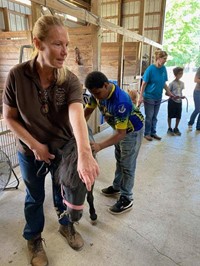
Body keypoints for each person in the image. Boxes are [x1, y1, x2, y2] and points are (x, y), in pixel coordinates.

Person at [3, 15, 99, 266]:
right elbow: (9, 118)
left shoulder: (69, 80)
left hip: (62, 149)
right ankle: (33, 238)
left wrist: (85, 152)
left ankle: (66, 225)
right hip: (30, 150)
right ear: (38, 43)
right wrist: (35, 145)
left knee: (62, 191)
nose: (65, 51)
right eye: (58, 44)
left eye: (67, 44)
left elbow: (77, 114)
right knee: (34, 196)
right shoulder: (17, 76)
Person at [84, 71, 144, 215]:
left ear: (106, 85)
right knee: (119, 159)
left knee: (127, 164)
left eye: (98, 93)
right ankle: (117, 186)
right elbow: (87, 112)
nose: (96, 97)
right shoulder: (95, 93)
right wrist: (78, 129)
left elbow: (121, 134)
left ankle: (127, 197)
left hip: (131, 131)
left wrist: (99, 146)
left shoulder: (120, 101)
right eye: (93, 94)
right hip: (118, 127)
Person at [138, 49, 174, 141]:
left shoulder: (163, 69)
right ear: (158, 58)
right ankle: (147, 133)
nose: (165, 60)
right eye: (164, 58)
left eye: (166, 58)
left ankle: (153, 132)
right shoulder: (150, 69)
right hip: (149, 96)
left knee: (155, 116)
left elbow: (164, 83)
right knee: (149, 117)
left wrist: (169, 92)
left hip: (158, 96)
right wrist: (140, 97)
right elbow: (144, 84)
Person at [167, 67, 185, 136]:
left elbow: (180, 92)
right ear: (175, 74)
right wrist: (173, 96)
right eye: (179, 73)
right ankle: (169, 128)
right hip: (172, 101)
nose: (181, 75)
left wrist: (181, 96)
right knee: (170, 115)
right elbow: (167, 93)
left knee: (178, 115)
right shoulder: (171, 83)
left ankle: (176, 128)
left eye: (182, 73)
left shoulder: (182, 83)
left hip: (179, 102)